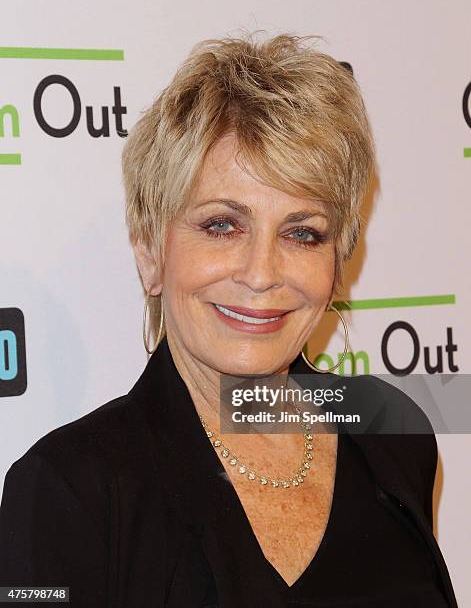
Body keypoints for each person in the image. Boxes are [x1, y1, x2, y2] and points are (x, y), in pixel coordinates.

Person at [0, 32, 458, 607]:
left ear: (337, 262)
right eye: (222, 224)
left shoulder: (393, 430)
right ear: (149, 251)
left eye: (302, 232)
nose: (262, 272)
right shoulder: (69, 491)